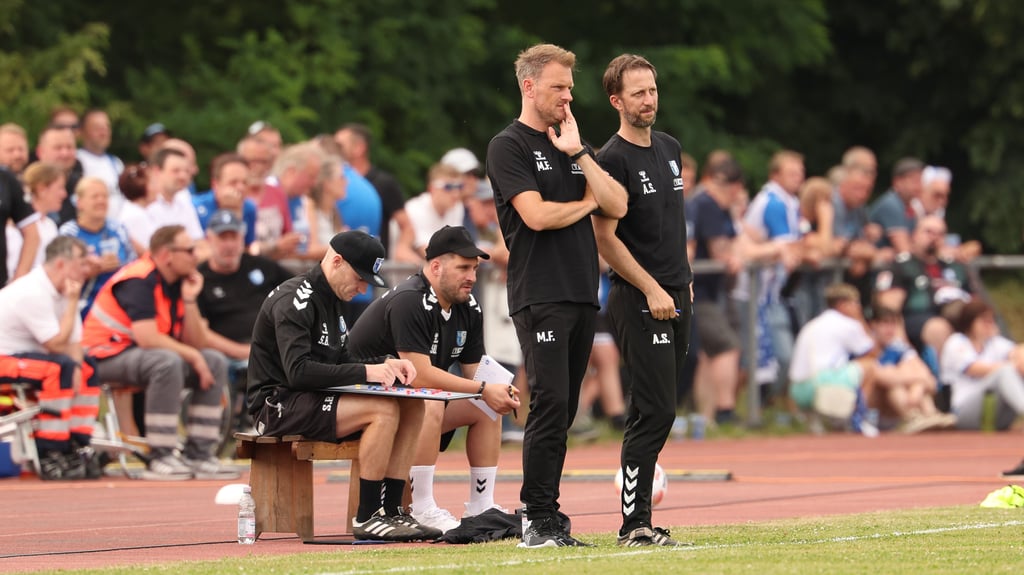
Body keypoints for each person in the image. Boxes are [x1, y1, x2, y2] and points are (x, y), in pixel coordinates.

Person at [486, 42, 627, 548]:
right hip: (539, 292)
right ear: (529, 87)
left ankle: (546, 512)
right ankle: (537, 517)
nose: (568, 97)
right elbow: (536, 216)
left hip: (581, 293)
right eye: (558, 87)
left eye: (570, 87)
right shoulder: (509, 145)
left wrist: (582, 155)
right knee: (549, 403)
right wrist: (589, 202)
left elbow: (618, 203)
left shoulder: (570, 142)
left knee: (564, 410)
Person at [246, 230, 439, 542]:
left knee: (413, 402)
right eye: (360, 278)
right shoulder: (296, 300)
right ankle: (367, 516)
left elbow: (342, 358)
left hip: (311, 397)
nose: (363, 288)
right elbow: (298, 373)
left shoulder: (333, 298)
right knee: (383, 410)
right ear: (336, 261)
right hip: (277, 404)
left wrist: (387, 363)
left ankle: (391, 511)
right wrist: (368, 372)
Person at [347, 225, 520, 534]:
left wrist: (498, 389)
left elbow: (474, 371)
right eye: (463, 267)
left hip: (406, 405)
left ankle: (482, 505)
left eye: (475, 269)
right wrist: (483, 388)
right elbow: (420, 374)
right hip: (364, 407)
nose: (472, 276)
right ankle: (422, 507)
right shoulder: (411, 299)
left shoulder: (468, 306)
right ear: (436, 267)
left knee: (487, 406)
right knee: (429, 398)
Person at [591, 54, 691, 547]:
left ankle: (642, 519)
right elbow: (605, 239)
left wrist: (682, 282)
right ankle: (634, 524)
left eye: (652, 90)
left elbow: (672, 226)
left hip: (677, 294)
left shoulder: (670, 148)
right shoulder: (611, 158)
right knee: (653, 410)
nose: (649, 100)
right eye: (638, 93)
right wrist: (651, 288)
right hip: (638, 297)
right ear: (617, 101)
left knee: (662, 407)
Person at [81, 225, 238, 481]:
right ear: (167, 254)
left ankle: (199, 455)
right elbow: (147, 337)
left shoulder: (178, 282)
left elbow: (196, 341)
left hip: (141, 355)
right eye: (188, 250)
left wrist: (189, 300)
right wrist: (194, 356)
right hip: (103, 357)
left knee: (215, 361)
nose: (195, 256)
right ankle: (160, 455)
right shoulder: (139, 278)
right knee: (168, 361)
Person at [0, 236, 102, 479]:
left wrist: (78, 366)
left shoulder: (66, 293)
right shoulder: (32, 291)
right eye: (81, 263)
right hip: (5, 356)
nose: (86, 270)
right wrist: (73, 302)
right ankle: (51, 449)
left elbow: (75, 342)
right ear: (60, 264)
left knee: (87, 367)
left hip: (30, 357)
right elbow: (56, 343)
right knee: (58, 368)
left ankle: (77, 441)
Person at [197, 210, 292, 431]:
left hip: (271, 344)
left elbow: (299, 290)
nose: (229, 245)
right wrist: (243, 351)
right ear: (209, 240)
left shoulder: (260, 266)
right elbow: (200, 333)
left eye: (234, 237)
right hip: (229, 351)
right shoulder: (199, 278)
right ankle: (256, 419)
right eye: (223, 238)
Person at [789, 283, 881, 431]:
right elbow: (874, 352)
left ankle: (822, 422)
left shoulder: (814, 323)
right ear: (842, 304)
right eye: (855, 303)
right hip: (821, 386)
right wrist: (860, 320)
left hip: (797, 391)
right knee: (871, 366)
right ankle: (861, 417)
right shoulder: (848, 323)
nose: (858, 307)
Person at [58, 177, 137, 318]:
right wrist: (87, 270)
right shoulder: (68, 233)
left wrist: (119, 265)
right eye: (95, 197)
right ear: (79, 202)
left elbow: (134, 266)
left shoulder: (118, 229)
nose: (101, 201)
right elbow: (59, 275)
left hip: (118, 307)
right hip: (80, 308)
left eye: (105, 196)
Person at [940, 299, 1024, 431]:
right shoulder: (956, 342)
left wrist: (1019, 359)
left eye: (991, 320)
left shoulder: (995, 343)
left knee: (1015, 371)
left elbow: (1020, 352)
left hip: (998, 416)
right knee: (1006, 371)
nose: (989, 324)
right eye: (984, 320)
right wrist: (1014, 365)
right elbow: (976, 369)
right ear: (970, 321)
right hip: (966, 413)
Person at [6, 162, 65, 280]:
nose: (64, 194)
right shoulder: (14, 228)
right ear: (42, 189)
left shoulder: (50, 225)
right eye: (60, 188)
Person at [400, 163, 468, 260]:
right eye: (448, 187)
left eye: (459, 187)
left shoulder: (457, 207)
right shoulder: (415, 208)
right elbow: (427, 250)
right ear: (432, 189)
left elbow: (457, 245)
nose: (456, 194)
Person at [75, 109, 125, 219]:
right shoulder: (76, 160)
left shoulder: (116, 163)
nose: (104, 132)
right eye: (97, 128)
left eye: (107, 127)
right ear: (82, 132)